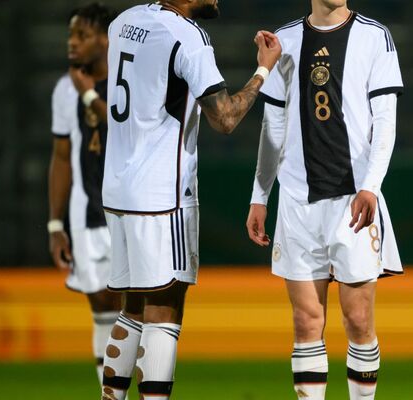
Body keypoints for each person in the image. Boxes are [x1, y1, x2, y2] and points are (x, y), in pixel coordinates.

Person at [99, 1, 281, 399]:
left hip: (118, 188)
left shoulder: (122, 22)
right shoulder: (187, 36)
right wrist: (263, 69)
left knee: (133, 308)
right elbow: (226, 118)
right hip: (162, 194)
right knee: (164, 309)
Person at [245, 1, 403, 398]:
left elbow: (385, 119)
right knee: (306, 321)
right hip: (298, 200)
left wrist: (370, 185)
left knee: (358, 318)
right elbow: (273, 123)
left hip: (352, 199)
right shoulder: (285, 40)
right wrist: (259, 195)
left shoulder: (374, 36)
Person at [47, 2, 119, 388]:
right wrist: (55, 224)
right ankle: (109, 394)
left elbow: (129, 135)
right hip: (85, 214)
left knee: (134, 310)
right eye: (71, 35)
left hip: (130, 212)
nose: (72, 43)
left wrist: (91, 96)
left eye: (83, 35)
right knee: (101, 308)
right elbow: (61, 157)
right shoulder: (64, 89)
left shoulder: (130, 80)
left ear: (107, 39)